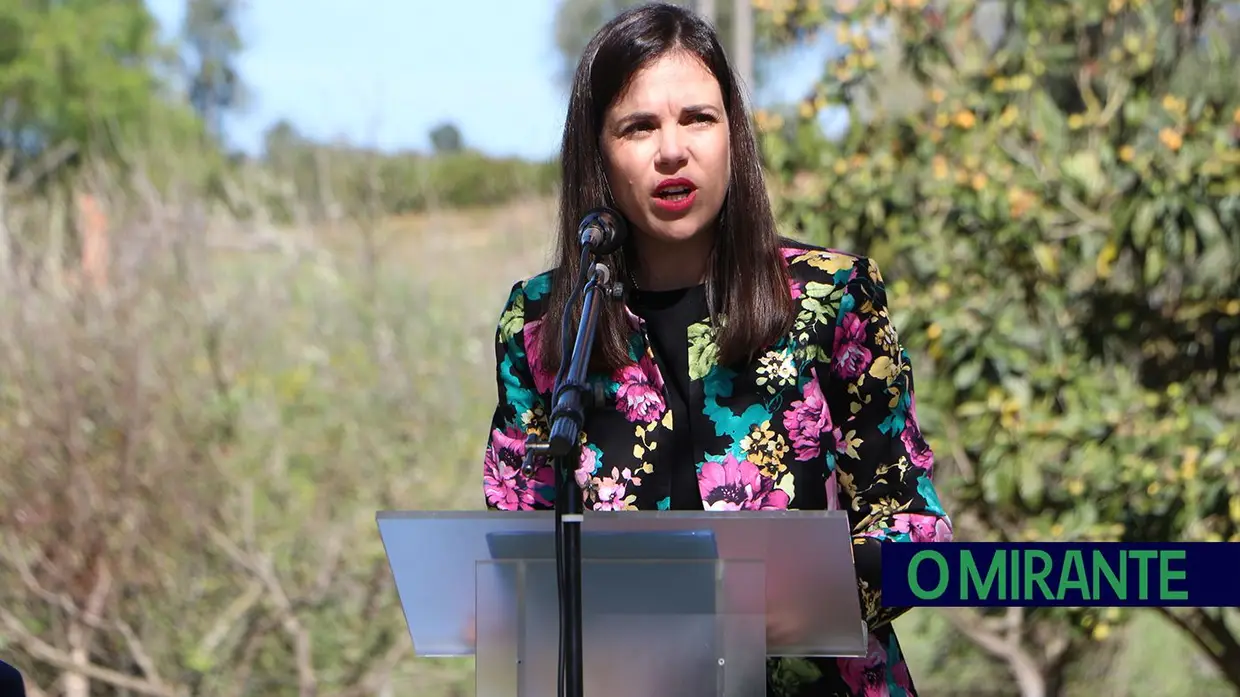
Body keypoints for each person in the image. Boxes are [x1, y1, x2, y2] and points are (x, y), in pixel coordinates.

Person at [480, 3, 953, 695]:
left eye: (697, 118)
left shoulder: (832, 297)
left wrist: (770, 608)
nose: (672, 149)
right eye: (638, 126)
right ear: (598, 154)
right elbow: (518, 545)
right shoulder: (541, 323)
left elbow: (916, 527)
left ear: (733, 134)